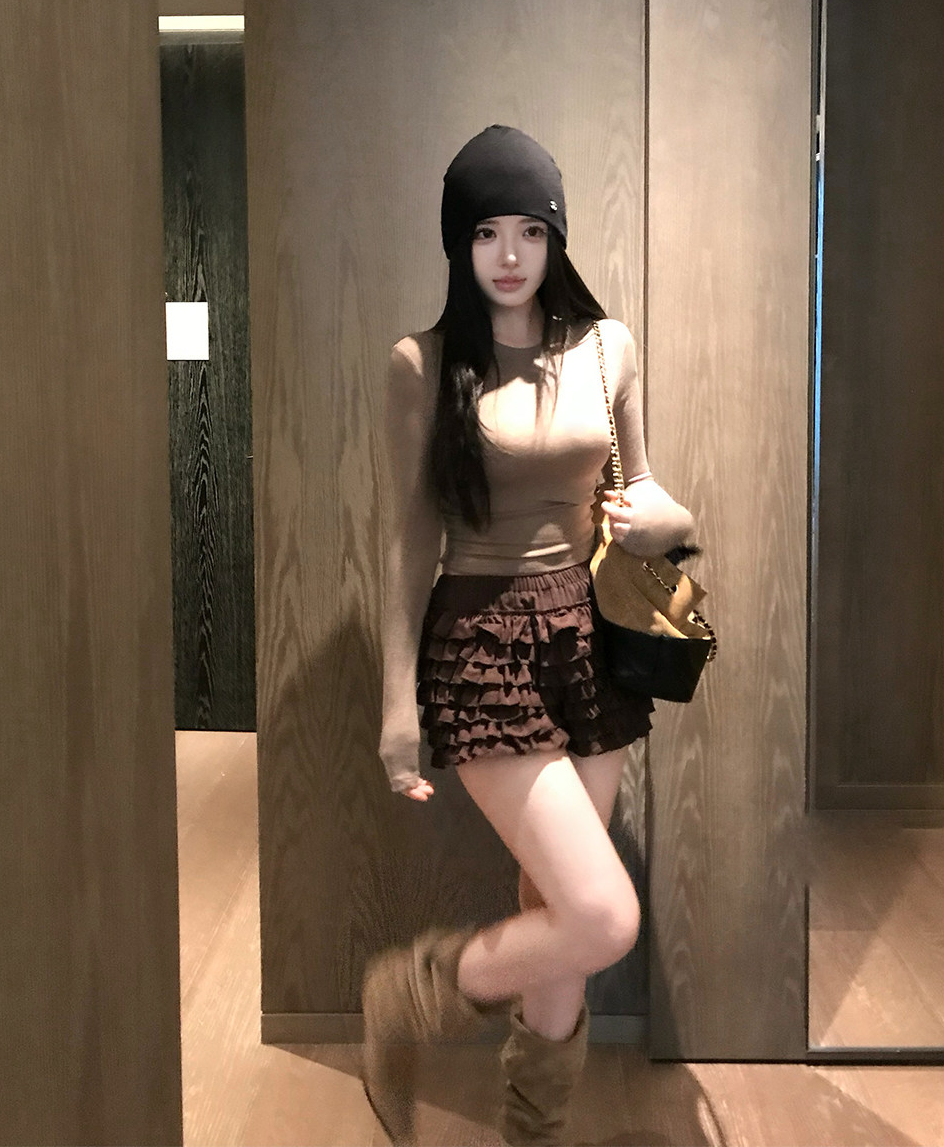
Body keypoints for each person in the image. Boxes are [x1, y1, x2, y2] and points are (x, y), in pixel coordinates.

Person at [362, 125, 698, 1147]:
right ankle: (415, 991)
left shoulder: (608, 347)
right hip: (483, 644)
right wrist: (397, 705)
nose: (509, 254)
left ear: (555, 239)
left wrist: (675, 522)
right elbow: (409, 540)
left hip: (590, 641)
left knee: (556, 909)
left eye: (530, 231)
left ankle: (530, 1132)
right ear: (458, 245)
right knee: (602, 916)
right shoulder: (422, 364)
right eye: (485, 233)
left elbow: (645, 494)